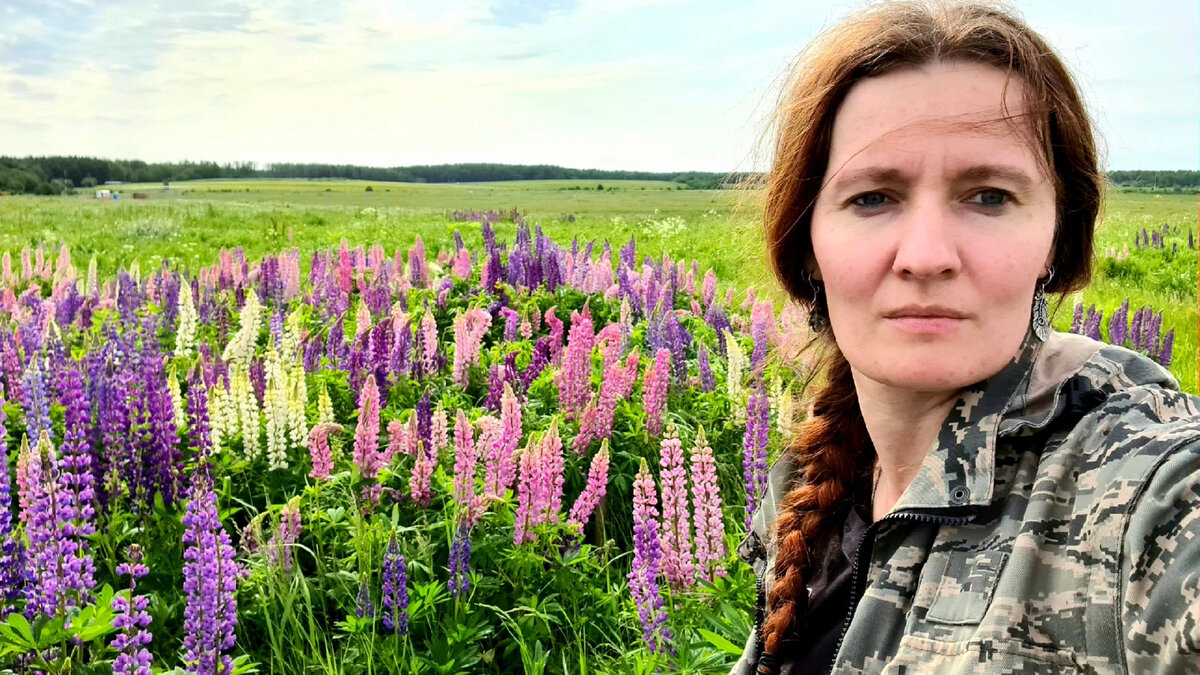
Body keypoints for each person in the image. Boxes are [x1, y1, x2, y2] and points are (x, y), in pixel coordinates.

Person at [731, 2, 1200, 673]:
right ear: (807, 245)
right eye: (873, 197)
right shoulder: (812, 489)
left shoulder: (1138, 490)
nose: (925, 255)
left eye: (987, 196)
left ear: (1056, 240)